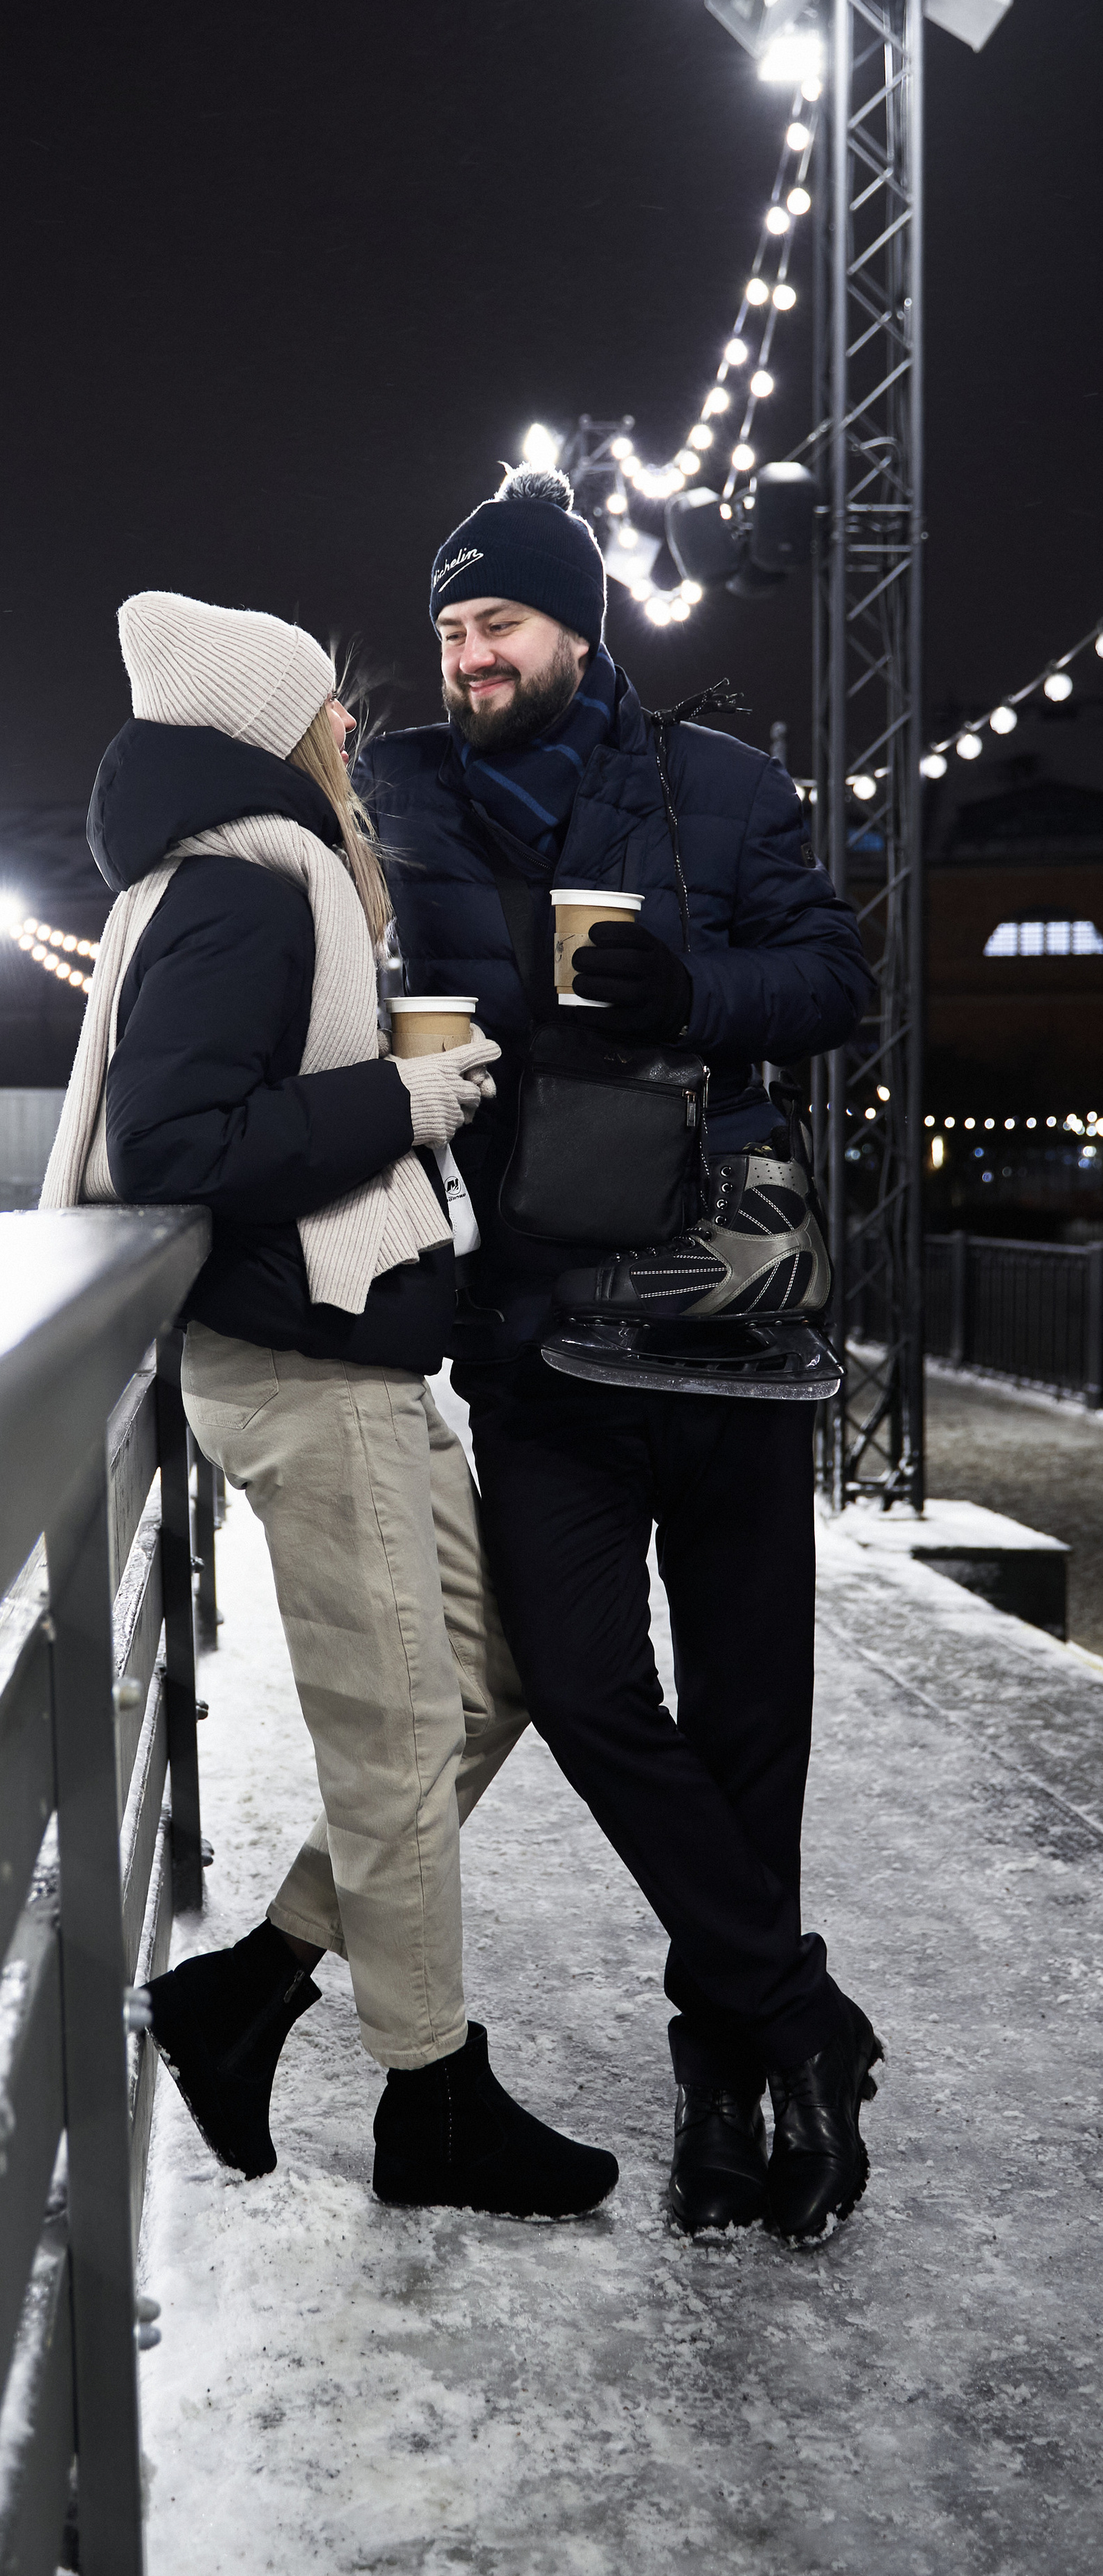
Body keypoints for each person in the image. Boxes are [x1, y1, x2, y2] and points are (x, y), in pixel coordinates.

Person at [42, 588, 618, 2219]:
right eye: (328, 701)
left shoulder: (239, 872)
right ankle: (429, 2097)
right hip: (308, 1365)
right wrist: (397, 1096)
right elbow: (176, 1148)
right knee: (394, 1735)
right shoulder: (243, 881)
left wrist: (395, 1100)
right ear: (265, 727)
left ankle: (249, 1992)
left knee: (493, 1679)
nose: (355, 724)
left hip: (338, 1357)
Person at [356, 469, 881, 2246]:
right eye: (446, 627)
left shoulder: (715, 786)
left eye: (495, 621)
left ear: (576, 625)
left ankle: (728, 2080)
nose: (467, 654)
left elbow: (831, 978)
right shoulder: (395, 805)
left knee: (750, 1724)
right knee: (582, 1687)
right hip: (533, 1340)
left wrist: (691, 994)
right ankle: (796, 2014)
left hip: (722, 1333)